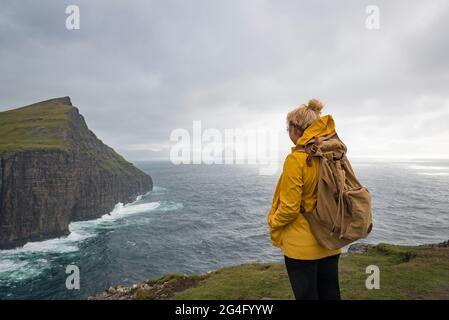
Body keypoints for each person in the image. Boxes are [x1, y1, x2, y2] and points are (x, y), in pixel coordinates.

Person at [267, 98, 342, 300]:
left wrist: (273, 221)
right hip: (329, 239)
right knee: (331, 295)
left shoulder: (296, 160)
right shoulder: (330, 154)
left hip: (301, 247)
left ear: (295, 130)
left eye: (288, 128)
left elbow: (290, 208)